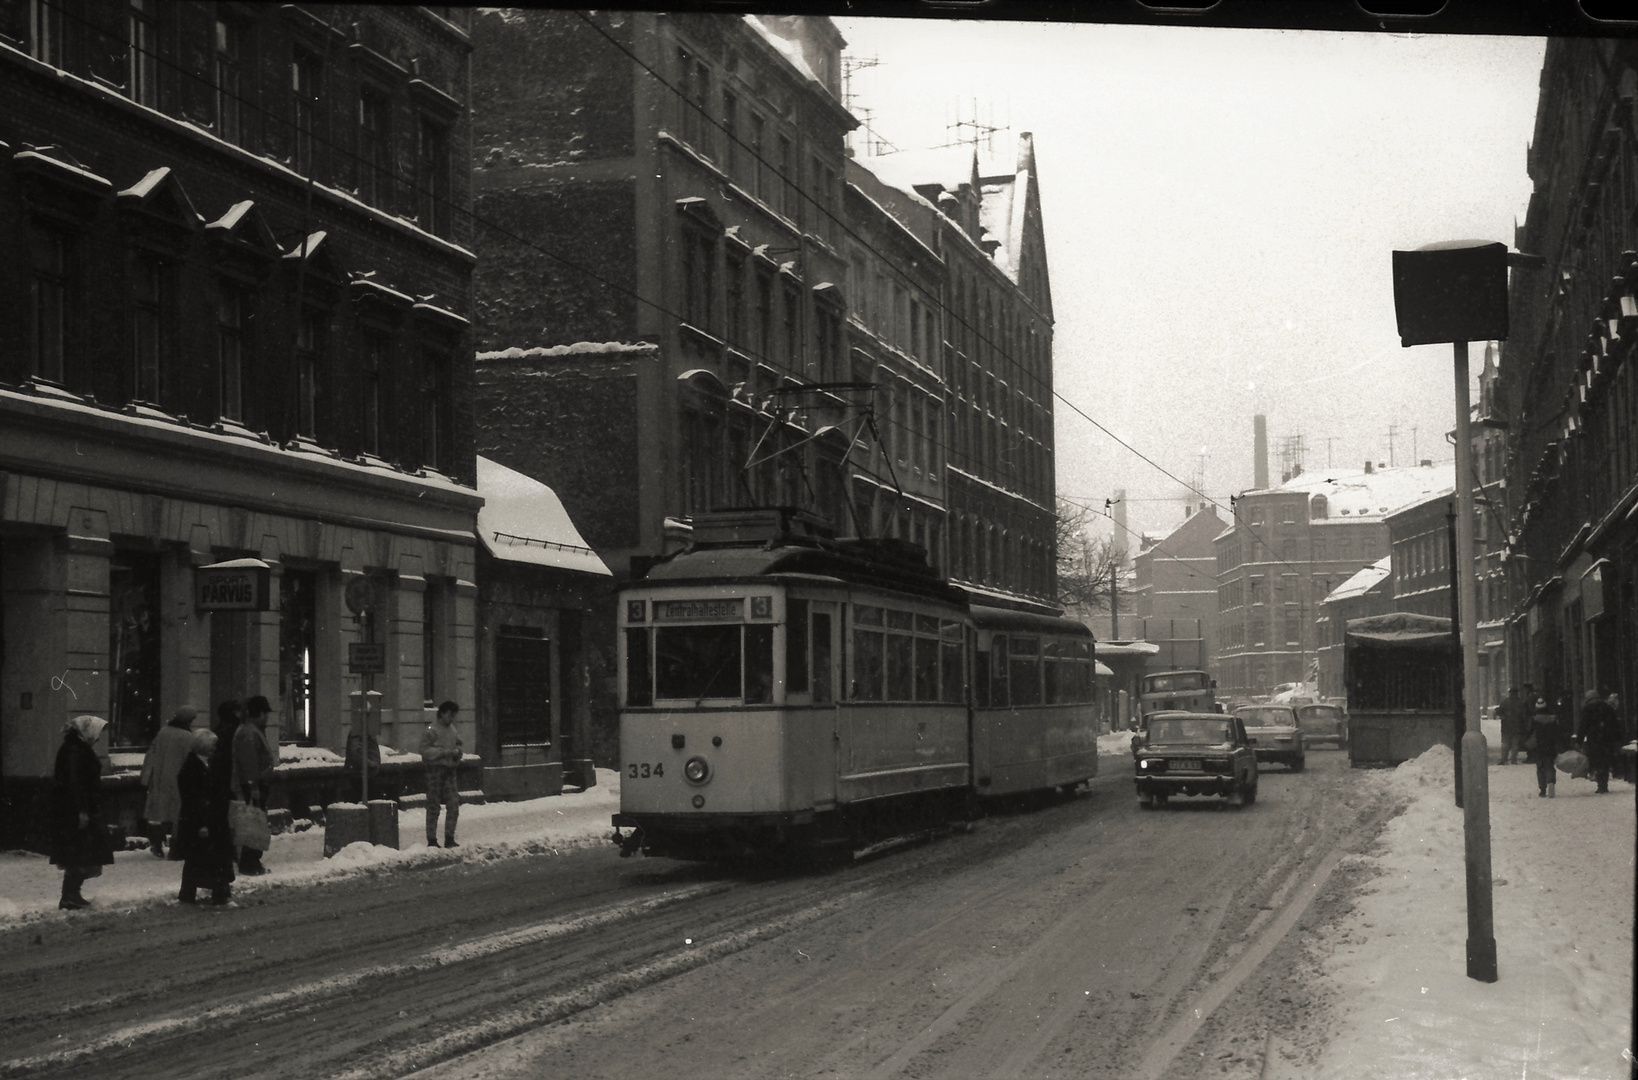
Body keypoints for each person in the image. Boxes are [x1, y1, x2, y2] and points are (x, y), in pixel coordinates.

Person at [49, 715, 115, 910]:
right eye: (97, 733)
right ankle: (69, 895)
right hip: (77, 811)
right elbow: (74, 783)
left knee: (82, 853)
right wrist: (82, 811)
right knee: (81, 852)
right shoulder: (75, 750)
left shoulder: (76, 748)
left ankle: (72, 893)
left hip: (79, 808)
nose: (98, 738)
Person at [172, 729, 235, 906]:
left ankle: (191, 895)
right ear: (204, 746)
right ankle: (219, 895)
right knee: (210, 858)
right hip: (203, 821)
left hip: (208, 819)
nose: (215, 748)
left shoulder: (202, 765)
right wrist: (201, 823)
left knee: (198, 860)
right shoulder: (193, 768)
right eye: (213, 745)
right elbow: (193, 798)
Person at [138, 706, 198, 857]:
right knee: (178, 814)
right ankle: (176, 848)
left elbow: (152, 753)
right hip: (179, 779)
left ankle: (157, 844)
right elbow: (190, 759)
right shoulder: (187, 737)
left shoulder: (163, 732)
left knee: (160, 814)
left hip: (160, 778)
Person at [231, 695, 277, 875]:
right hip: (254, 786)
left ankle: (251, 861)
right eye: (265, 713)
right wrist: (253, 787)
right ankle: (250, 863)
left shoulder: (252, 730)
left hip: (257, 784)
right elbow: (249, 763)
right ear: (259, 713)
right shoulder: (250, 732)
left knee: (255, 822)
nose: (267, 717)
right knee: (253, 823)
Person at [420, 700, 463, 848]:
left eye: (453, 716)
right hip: (435, 771)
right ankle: (432, 839)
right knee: (433, 805)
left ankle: (449, 837)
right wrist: (443, 753)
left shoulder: (452, 729)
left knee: (453, 805)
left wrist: (458, 752)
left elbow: (459, 743)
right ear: (442, 713)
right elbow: (424, 750)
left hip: (450, 770)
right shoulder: (432, 729)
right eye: (450, 715)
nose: (452, 718)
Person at [1579, 689, 1622, 795]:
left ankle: (1600, 784)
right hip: (1607, 738)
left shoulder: (1587, 709)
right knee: (1605, 760)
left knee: (1597, 761)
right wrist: (1618, 738)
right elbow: (1614, 723)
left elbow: (1583, 726)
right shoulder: (1607, 707)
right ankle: (1604, 783)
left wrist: (1579, 739)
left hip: (1594, 739)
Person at [1529, 695, 1564, 798]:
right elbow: (1558, 733)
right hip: (1550, 746)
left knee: (1540, 767)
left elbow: (1529, 732)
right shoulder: (1553, 719)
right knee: (1549, 765)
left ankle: (1542, 788)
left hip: (1539, 747)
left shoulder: (1534, 720)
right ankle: (1551, 781)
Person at [1497, 686, 1528, 766]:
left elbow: (1499, 711)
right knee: (1515, 744)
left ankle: (1504, 759)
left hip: (1506, 726)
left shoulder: (1505, 702)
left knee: (1505, 743)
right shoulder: (1520, 702)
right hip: (1517, 726)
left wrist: (1503, 716)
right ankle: (1513, 759)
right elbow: (1524, 715)